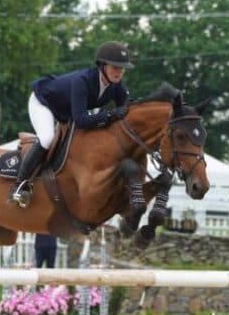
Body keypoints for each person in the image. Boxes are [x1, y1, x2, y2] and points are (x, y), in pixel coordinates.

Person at [9, 41, 135, 207]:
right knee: (47, 138)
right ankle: (19, 185)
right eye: (115, 67)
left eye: (122, 68)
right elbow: (81, 120)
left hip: (66, 111)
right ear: (102, 65)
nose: (119, 72)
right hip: (44, 102)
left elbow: (127, 109)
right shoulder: (82, 81)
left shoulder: (116, 86)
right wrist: (111, 114)